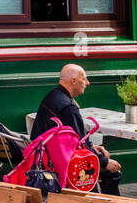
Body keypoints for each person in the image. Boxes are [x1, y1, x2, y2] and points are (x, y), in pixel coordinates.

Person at [31, 63, 122, 195]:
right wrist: (104, 162)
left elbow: (76, 141)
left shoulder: (52, 96)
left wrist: (92, 146)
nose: (87, 83)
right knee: (113, 173)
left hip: (47, 156)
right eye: (84, 79)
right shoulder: (68, 107)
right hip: (61, 164)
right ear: (73, 81)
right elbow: (78, 145)